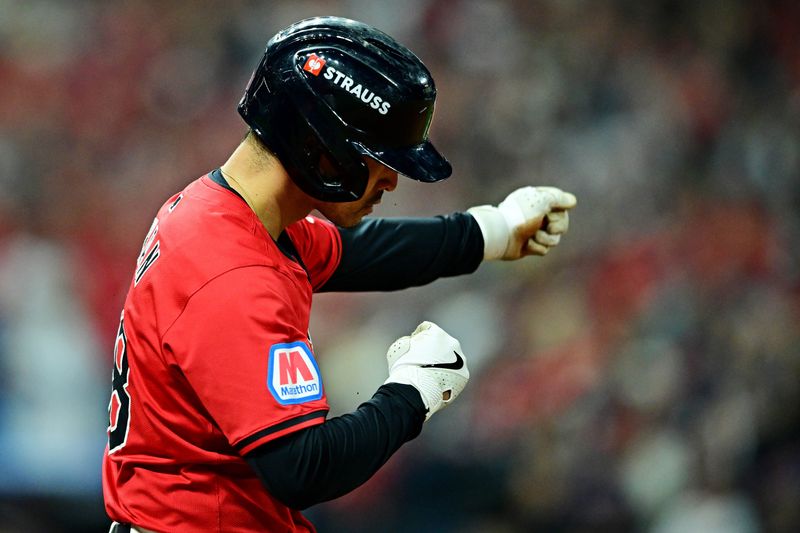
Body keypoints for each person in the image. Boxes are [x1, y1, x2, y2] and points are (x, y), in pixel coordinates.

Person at [102, 16, 576, 533]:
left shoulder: (220, 212)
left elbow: (356, 252)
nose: (392, 179)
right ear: (319, 144)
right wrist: (413, 392)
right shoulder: (230, 272)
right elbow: (303, 468)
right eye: (378, 157)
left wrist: (492, 230)